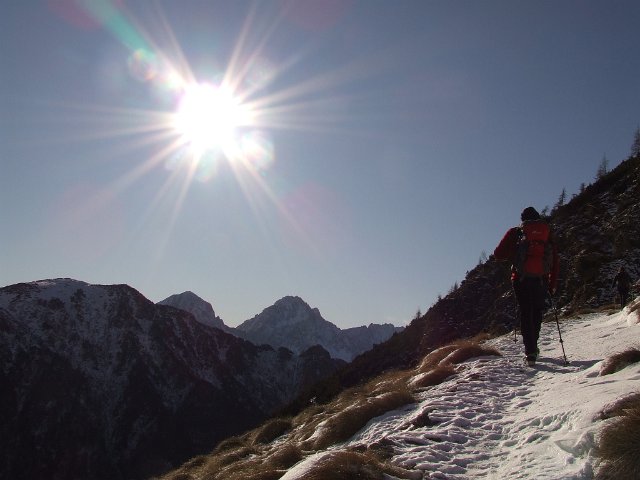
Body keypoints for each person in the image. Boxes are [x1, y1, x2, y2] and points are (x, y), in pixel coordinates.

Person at [494, 207, 559, 365]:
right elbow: (555, 260)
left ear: (523, 219)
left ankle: (529, 351)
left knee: (525, 312)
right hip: (541, 279)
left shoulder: (516, 232)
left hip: (521, 279)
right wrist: (552, 283)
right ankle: (534, 347)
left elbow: (498, 254)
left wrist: (514, 253)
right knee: (536, 312)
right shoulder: (547, 233)